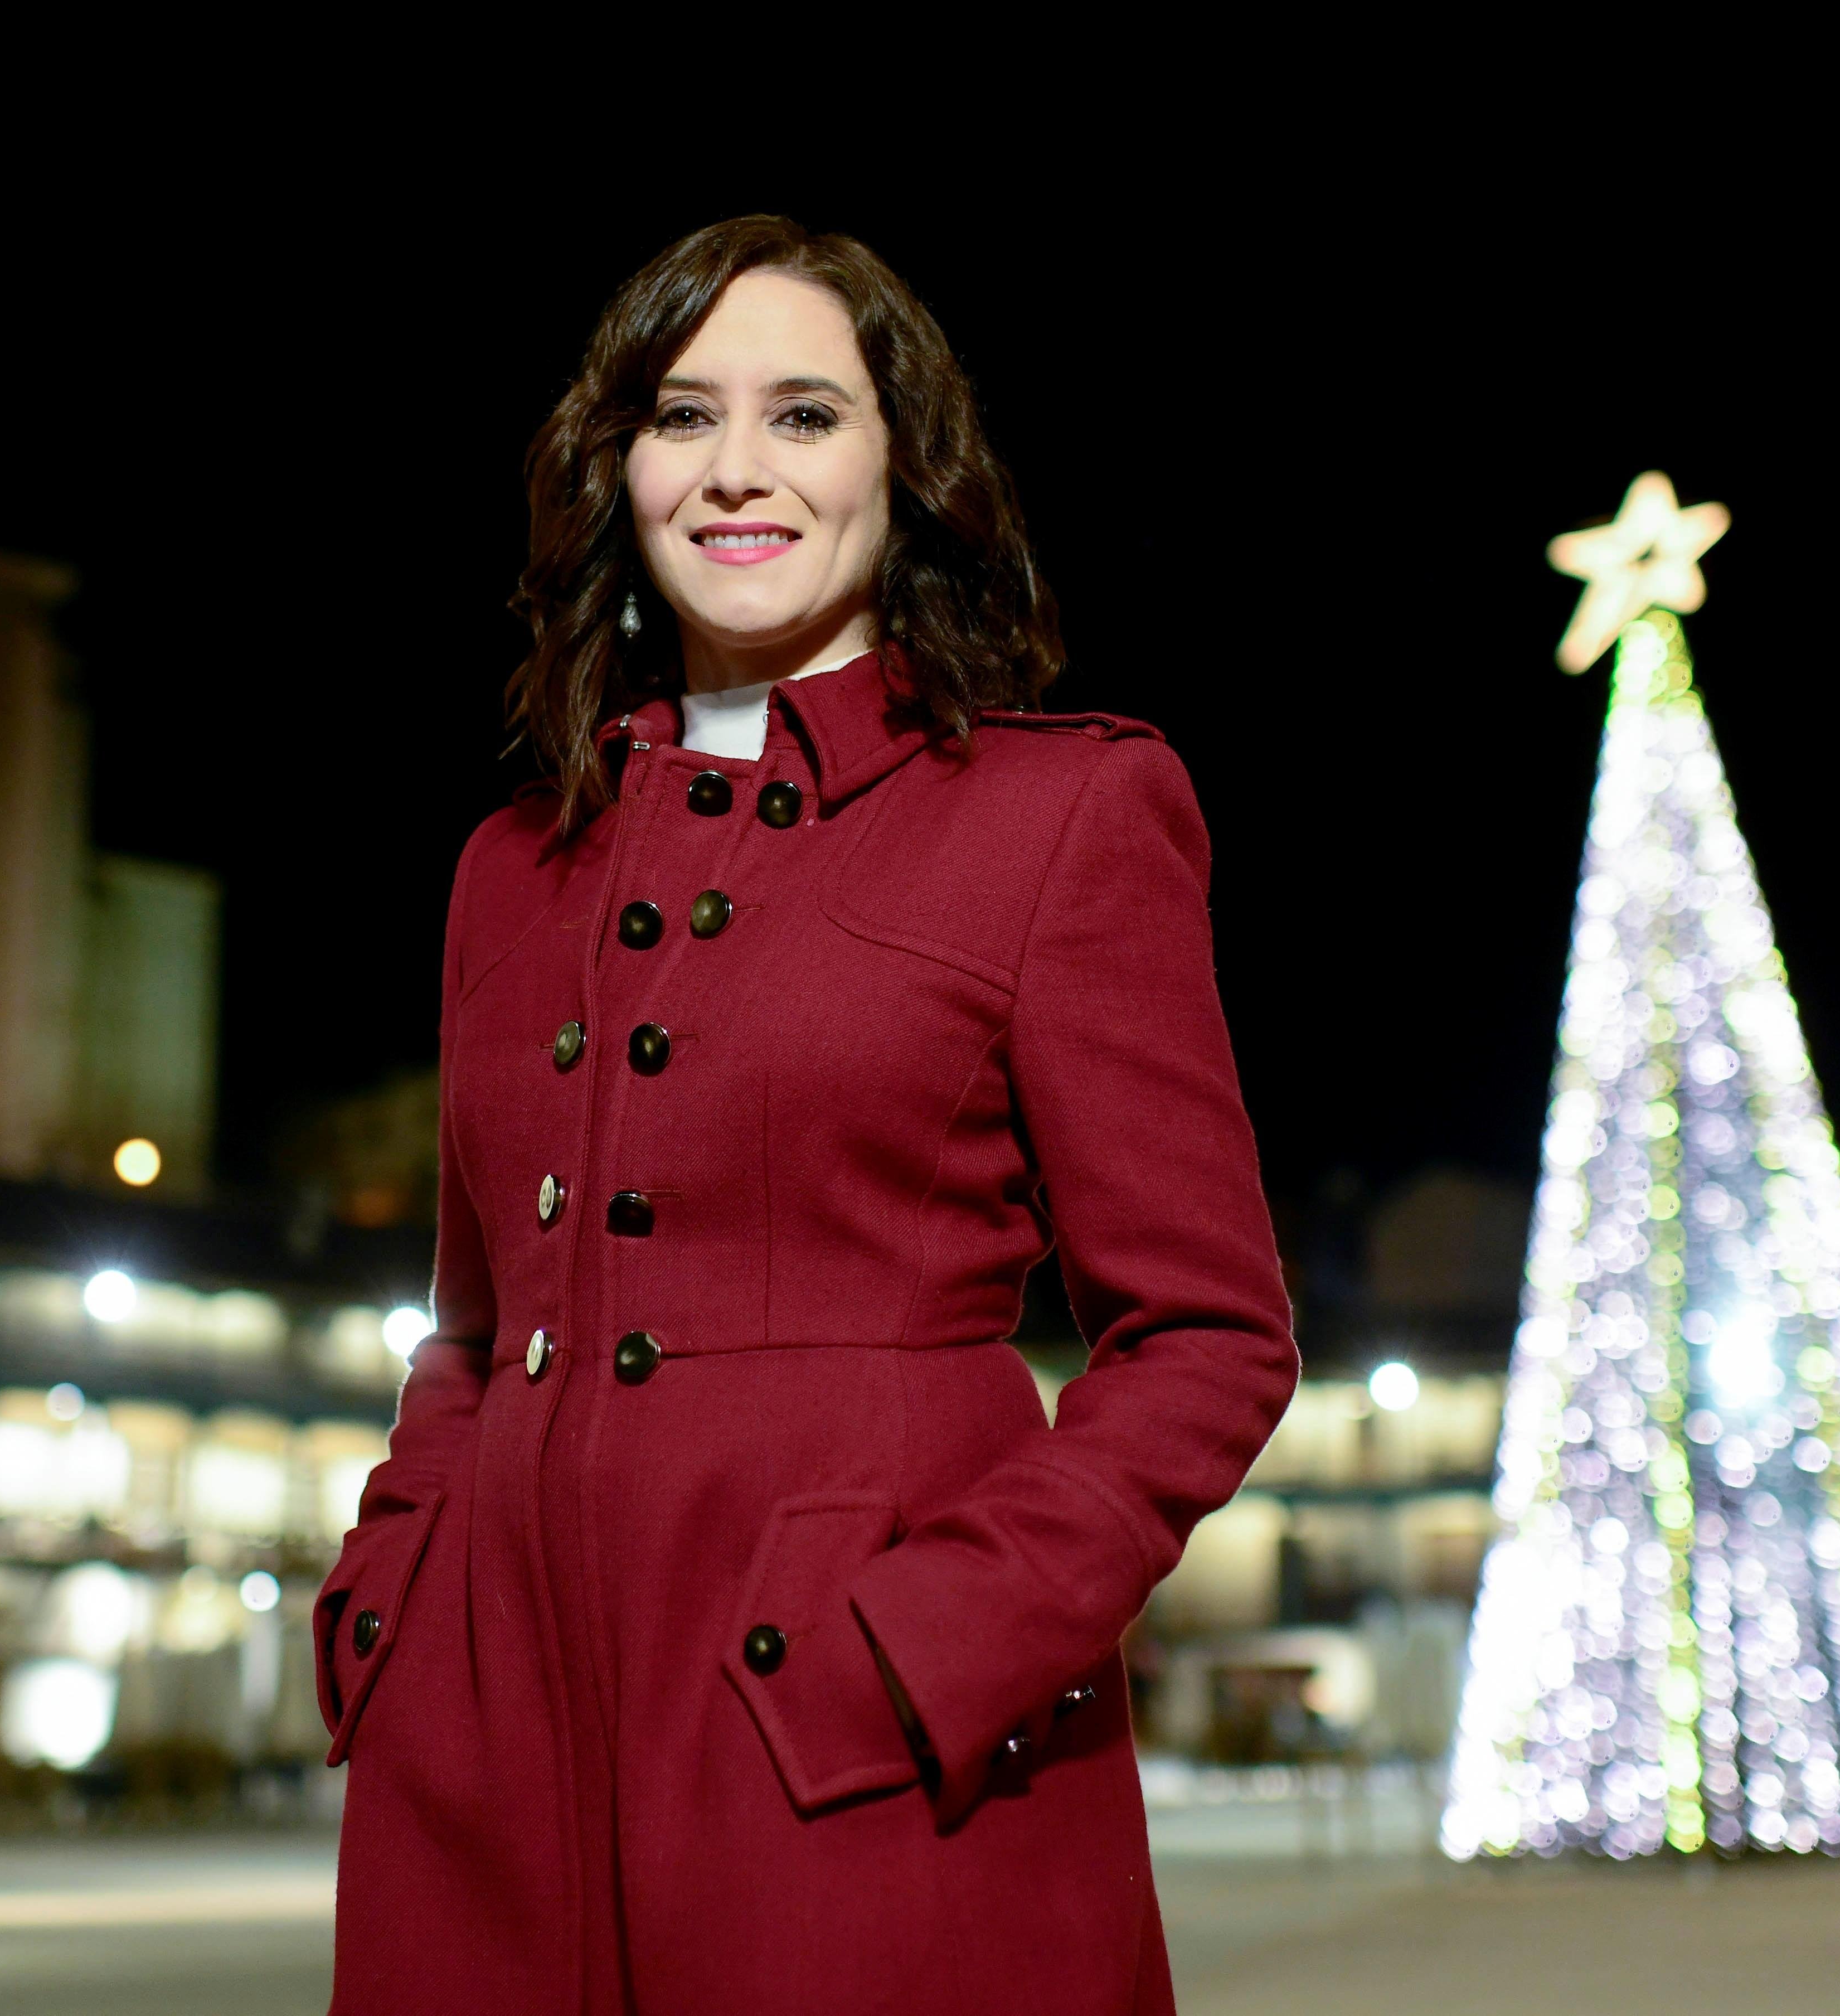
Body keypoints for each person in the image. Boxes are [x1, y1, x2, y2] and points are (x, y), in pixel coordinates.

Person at [316, 217, 1298, 2012]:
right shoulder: (508, 868)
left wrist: (930, 1648)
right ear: (616, 473)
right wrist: (393, 1604)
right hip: (485, 1766)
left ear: (900, 471)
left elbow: (1209, 1340)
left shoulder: (1058, 815)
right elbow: (470, 1332)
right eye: (681, 418)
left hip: (863, 1759)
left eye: (802, 415)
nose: (737, 470)